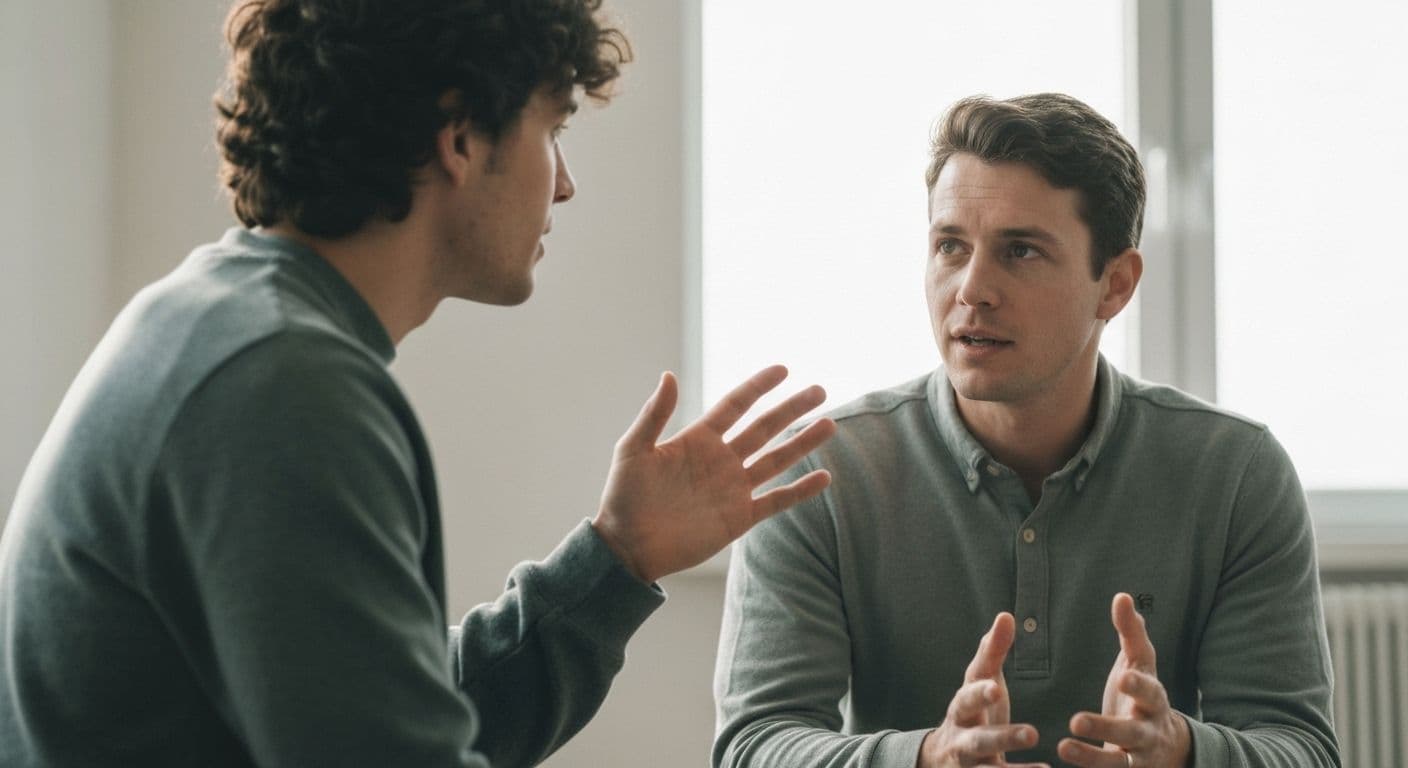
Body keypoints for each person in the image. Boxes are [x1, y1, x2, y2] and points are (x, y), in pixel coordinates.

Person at [0, 1, 837, 766]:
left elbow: (403, 710)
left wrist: (619, 557)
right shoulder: (280, 385)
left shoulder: (228, 325)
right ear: (462, 137)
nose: (566, 181)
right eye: (552, 131)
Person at [712, 93, 1339, 768]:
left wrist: (1184, 751)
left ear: (1116, 285)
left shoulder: (1236, 472)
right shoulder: (817, 473)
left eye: (1021, 252)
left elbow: (1301, 748)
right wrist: (925, 760)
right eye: (950, 246)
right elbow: (755, 746)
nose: (971, 288)